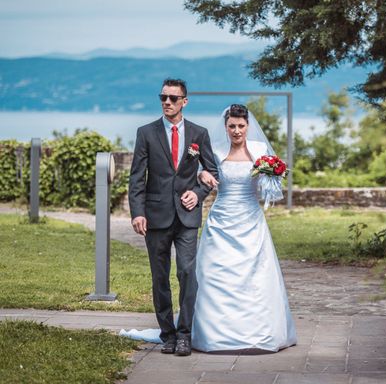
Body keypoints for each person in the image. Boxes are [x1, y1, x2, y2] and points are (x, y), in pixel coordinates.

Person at [122, 103, 297, 353]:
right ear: (225, 127)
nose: (236, 131)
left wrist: (272, 175)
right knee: (211, 273)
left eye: (241, 126)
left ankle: (257, 329)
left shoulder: (260, 150)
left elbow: (270, 190)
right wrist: (202, 178)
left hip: (250, 219)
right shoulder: (214, 148)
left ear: (248, 126)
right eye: (232, 126)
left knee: (255, 274)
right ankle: (201, 331)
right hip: (222, 219)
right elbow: (197, 172)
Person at [128, 78, 218, 356]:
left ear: (184, 102)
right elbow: (136, 177)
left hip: (188, 217)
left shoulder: (198, 133)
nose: (167, 102)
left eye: (173, 98)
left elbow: (212, 173)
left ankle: (184, 334)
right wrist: (137, 212)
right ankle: (167, 333)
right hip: (155, 216)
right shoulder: (146, 133)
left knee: (187, 273)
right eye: (163, 97)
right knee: (160, 277)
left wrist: (199, 194)